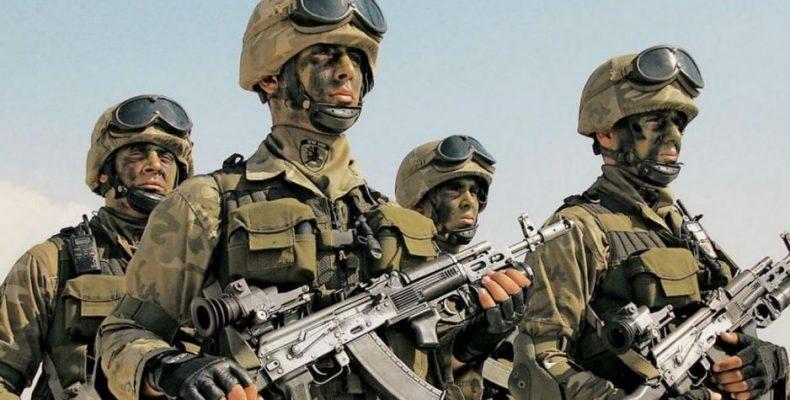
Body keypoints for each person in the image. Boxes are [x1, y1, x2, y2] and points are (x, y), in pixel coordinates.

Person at [96, 2, 526, 400]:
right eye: (323, 56)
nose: (346, 73)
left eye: (356, 59)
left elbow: (429, 370)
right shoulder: (205, 204)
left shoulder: (393, 218)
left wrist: (476, 340)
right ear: (270, 77)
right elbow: (122, 335)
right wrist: (169, 367)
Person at [509, 46, 789, 400]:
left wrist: (767, 364)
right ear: (606, 133)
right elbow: (538, 367)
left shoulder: (684, 230)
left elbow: (734, 340)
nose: (674, 137)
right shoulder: (575, 231)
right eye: (656, 123)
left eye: (679, 124)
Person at [0, 95, 194, 400]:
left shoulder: (203, 264)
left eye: (167, 157)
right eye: (137, 152)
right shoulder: (51, 263)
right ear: (105, 171)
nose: (155, 165)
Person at [396, 134, 527, 400]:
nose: (470, 202)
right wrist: (463, 350)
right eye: (454, 190)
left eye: (475, 192)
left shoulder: (486, 281)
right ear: (418, 200)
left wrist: (487, 338)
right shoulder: (394, 276)